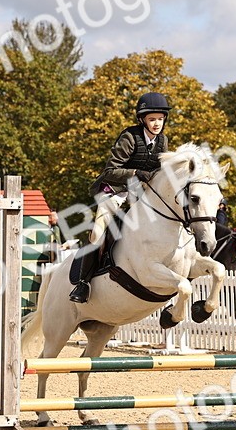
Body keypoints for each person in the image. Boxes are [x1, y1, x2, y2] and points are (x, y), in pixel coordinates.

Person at [70, 92, 170, 302]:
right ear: (142, 119)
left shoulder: (162, 141)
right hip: (115, 190)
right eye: (152, 119)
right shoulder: (129, 137)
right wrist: (134, 173)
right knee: (98, 234)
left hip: (141, 193)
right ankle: (82, 283)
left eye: (160, 119)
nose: (156, 124)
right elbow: (110, 171)